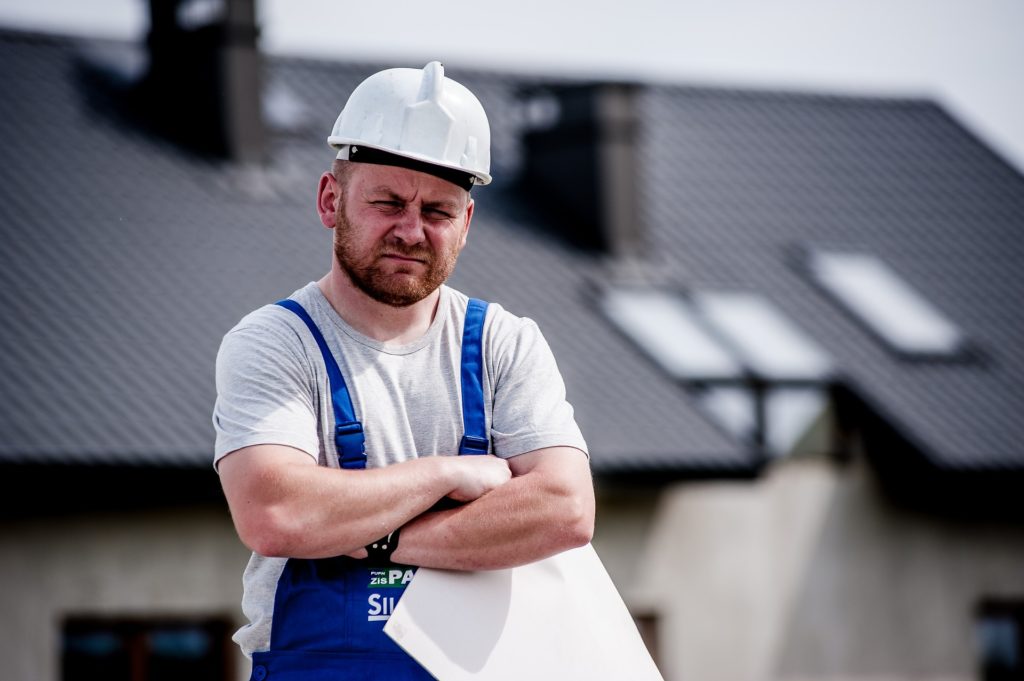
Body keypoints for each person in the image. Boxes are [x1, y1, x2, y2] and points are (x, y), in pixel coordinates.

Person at [213, 61, 595, 680]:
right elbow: (276, 515)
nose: (411, 231)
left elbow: (566, 510)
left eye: (439, 211)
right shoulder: (275, 343)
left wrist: (375, 537)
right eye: (388, 201)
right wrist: (446, 474)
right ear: (330, 200)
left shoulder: (504, 343)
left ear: (466, 225)